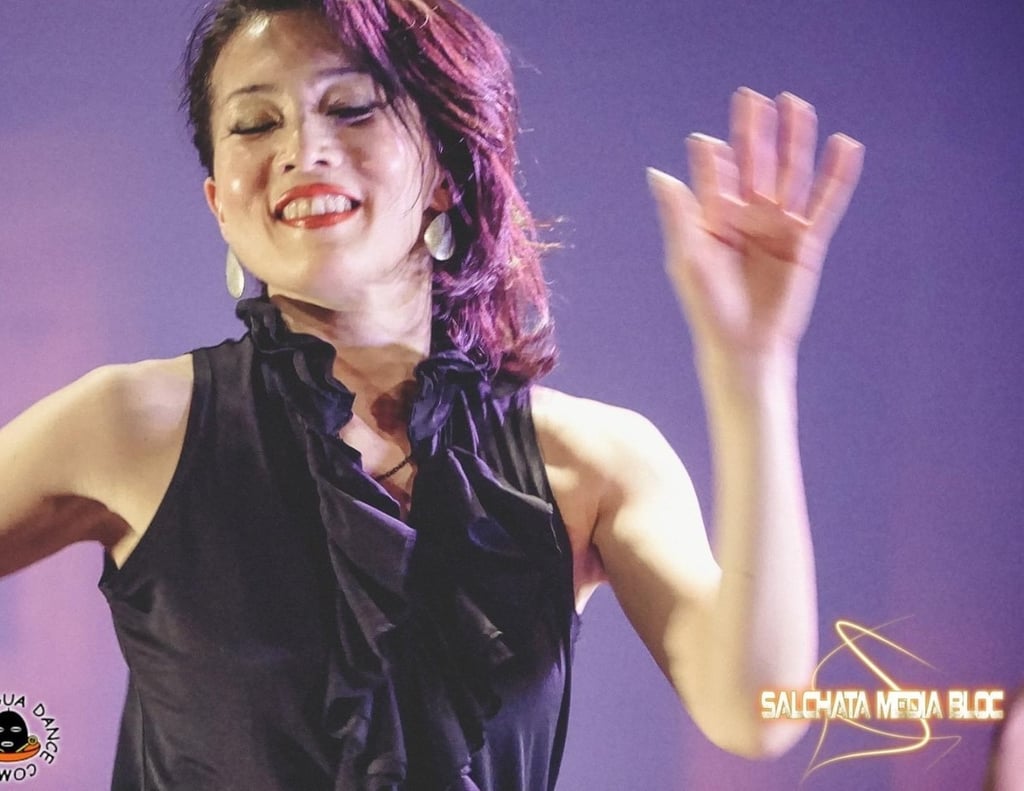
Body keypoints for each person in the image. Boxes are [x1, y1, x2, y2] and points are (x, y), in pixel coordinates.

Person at [0, 0, 864, 788]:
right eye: (256, 123)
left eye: (351, 107)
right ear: (219, 202)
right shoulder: (132, 427)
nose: (301, 149)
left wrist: (752, 368)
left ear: (446, 166)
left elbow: (755, 712)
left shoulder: (592, 462)